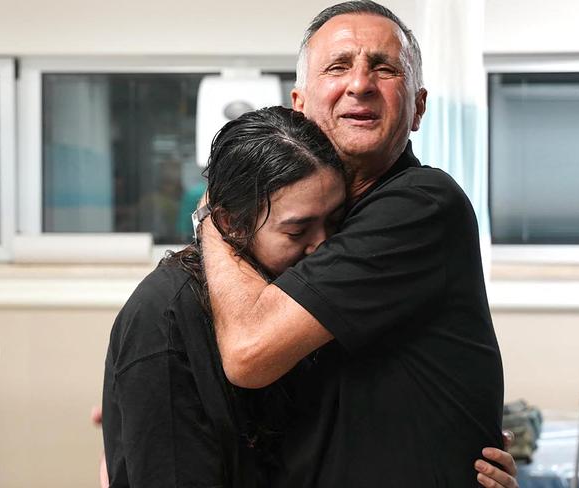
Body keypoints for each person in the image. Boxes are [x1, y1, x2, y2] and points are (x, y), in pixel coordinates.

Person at [102, 107, 515, 487]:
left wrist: (452, 455)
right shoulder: (166, 316)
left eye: (336, 222)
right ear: (232, 223)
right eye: (297, 231)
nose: (322, 245)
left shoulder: (293, 297)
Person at [200, 2, 515, 487]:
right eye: (338, 66)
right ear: (298, 105)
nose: (360, 84)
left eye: (384, 68)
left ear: (419, 108)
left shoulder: (421, 205)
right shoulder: (309, 223)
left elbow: (249, 351)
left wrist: (209, 218)